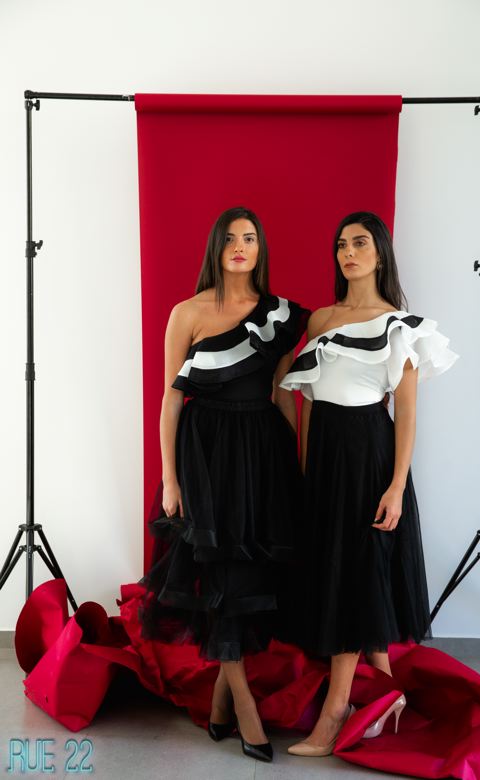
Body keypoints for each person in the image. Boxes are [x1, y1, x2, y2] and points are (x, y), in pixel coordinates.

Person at [279, 211, 458, 757]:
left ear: (380, 253)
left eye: (359, 243)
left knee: (356, 574)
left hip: (369, 458)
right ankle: (386, 695)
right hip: (326, 460)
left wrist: (397, 486)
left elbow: (406, 414)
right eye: (341, 245)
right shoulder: (320, 321)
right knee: (349, 574)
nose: (348, 253)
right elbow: (305, 402)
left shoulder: (400, 326)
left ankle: (335, 712)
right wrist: (305, 467)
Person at [137, 206, 310, 763]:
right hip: (205, 454)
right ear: (216, 247)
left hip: (263, 453)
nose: (240, 246)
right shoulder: (186, 312)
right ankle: (244, 707)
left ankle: (218, 702)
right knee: (221, 574)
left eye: (250, 238)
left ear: (260, 249)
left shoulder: (279, 315)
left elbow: (283, 395)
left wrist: (300, 465)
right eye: (231, 237)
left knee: (249, 575)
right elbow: (170, 401)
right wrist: (170, 478)